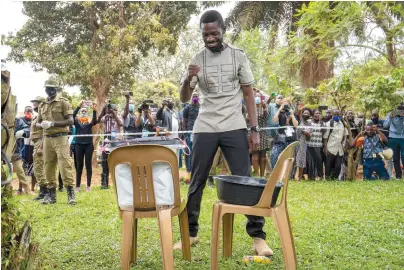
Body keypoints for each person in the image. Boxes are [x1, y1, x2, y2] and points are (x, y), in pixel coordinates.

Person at [174, 10, 273, 256]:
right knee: (196, 180)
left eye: (214, 33)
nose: (210, 38)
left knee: (245, 179)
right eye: (205, 34)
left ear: (222, 31)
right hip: (205, 126)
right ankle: (191, 233)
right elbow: (185, 98)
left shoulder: (238, 56)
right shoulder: (197, 58)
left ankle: (258, 237)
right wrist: (188, 78)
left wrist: (254, 129)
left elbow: (248, 93)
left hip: (234, 125)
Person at [37, 80, 76, 205]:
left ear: (56, 88)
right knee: (48, 165)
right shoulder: (42, 105)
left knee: (65, 164)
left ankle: (70, 194)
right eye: (48, 88)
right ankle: (51, 195)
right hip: (47, 138)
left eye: (52, 88)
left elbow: (71, 121)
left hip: (61, 137)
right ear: (45, 89)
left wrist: (53, 123)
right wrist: (42, 124)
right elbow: (37, 122)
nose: (50, 90)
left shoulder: (63, 102)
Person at [73, 101, 97, 192]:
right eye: (82, 111)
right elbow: (71, 117)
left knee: (88, 165)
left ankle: (88, 186)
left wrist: (94, 111)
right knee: (79, 165)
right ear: (80, 112)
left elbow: (95, 121)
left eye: (85, 111)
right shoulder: (77, 121)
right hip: (78, 145)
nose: (83, 112)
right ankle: (78, 186)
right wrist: (78, 107)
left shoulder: (90, 121)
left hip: (89, 145)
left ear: (87, 112)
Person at [98, 103, 123, 188]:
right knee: (104, 160)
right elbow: (99, 120)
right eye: (109, 110)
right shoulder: (106, 117)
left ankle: (119, 182)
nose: (110, 111)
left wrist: (114, 115)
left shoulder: (118, 116)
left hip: (116, 141)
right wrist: (104, 111)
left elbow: (120, 124)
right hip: (106, 139)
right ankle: (104, 183)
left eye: (112, 110)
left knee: (117, 159)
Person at [270, 100, 298, 169]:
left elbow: (296, 125)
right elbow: (275, 120)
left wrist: (292, 114)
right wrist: (279, 109)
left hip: (290, 137)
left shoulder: (293, 113)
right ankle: (275, 171)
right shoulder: (280, 113)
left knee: (289, 156)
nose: (285, 106)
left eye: (286, 105)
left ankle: (289, 174)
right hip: (280, 137)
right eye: (283, 104)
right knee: (274, 154)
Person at [247, 95, 269, 177]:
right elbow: (247, 119)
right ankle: (256, 174)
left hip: (262, 134)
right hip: (253, 133)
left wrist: (264, 106)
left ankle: (262, 175)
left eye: (258, 98)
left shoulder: (263, 109)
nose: (257, 99)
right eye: (255, 97)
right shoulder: (249, 109)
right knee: (255, 154)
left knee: (263, 155)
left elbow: (266, 116)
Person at [30, 96, 47, 200]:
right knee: (38, 167)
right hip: (36, 142)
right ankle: (43, 191)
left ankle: (44, 191)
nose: (34, 105)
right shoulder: (37, 116)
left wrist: (41, 147)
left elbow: (46, 132)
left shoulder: (44, 116)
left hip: (41, 142)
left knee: (39, 167)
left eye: (36, 103)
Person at [12, 117, 34, 195]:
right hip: (2, 150)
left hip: (15, 150)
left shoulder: (18, 120)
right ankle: (6, 189)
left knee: (20, 171)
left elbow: (27, 130)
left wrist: (23, 131)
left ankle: (27, 190)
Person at [323, 109, 347, 180]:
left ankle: (335, 180)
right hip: (330, 148)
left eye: (338, 114)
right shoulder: (329, 124)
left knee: (337, 167)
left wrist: (344, 142)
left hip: (339, 149)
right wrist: (325, 148)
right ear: (332, 115)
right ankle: (327, 180)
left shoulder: (343, 124)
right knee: (328, 167)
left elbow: (345, 135)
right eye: (335, 114)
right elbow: (325, 138)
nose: (337, 116)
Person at [182, 92, 200, 180]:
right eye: (194, 96)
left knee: (197, 152)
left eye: (197, 96)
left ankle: (196, 170)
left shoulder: (201, 107)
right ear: (191, 97)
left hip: (199, 132)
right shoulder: (187, 108)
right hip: (189, 132)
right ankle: (188, 171)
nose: (195, 97)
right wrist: (185, 133)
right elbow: (184, 121)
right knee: (188, 152)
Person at [384, 105, 404, 179]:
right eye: (398, 111)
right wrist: (390, 118)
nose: (399, 113)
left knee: (403, 156)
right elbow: (385, 125)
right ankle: (398, 176)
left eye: (401, 111)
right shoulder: (391, 114)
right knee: (395, 158)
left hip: (403, 137)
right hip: (393, 137)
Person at [306, 109, 326, 180]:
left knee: (318, 160)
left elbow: (324, 133)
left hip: (318, 145)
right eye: (316, 113)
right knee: (310, 161)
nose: (317, 115)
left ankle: (319, 176)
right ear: (313, 114)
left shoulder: (323, 123)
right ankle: (311, 177)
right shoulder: (308, 122)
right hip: (309, 145)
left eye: (318, 113)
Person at [20, 105, 36, 193]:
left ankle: (32, 189)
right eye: (27, 111)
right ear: (24, 112)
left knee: (33, 171)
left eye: (30, 111)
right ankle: (20, 189)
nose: (28, 113)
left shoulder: (35, 120)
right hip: (24, 148)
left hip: (33, 148)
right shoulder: (21, 120)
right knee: (22, 171)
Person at [296, 108, 312, 180]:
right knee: (294, 159)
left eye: (307, 113)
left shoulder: (309, 124)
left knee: (301, 160)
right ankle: (292, 176)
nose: (306, 114)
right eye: (304, 113)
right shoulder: (299, 120)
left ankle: (299, 177)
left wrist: (306, 133)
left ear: (310, 115)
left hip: (303, 143)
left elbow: (309, 134)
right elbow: (298, 113)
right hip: (295, 142)